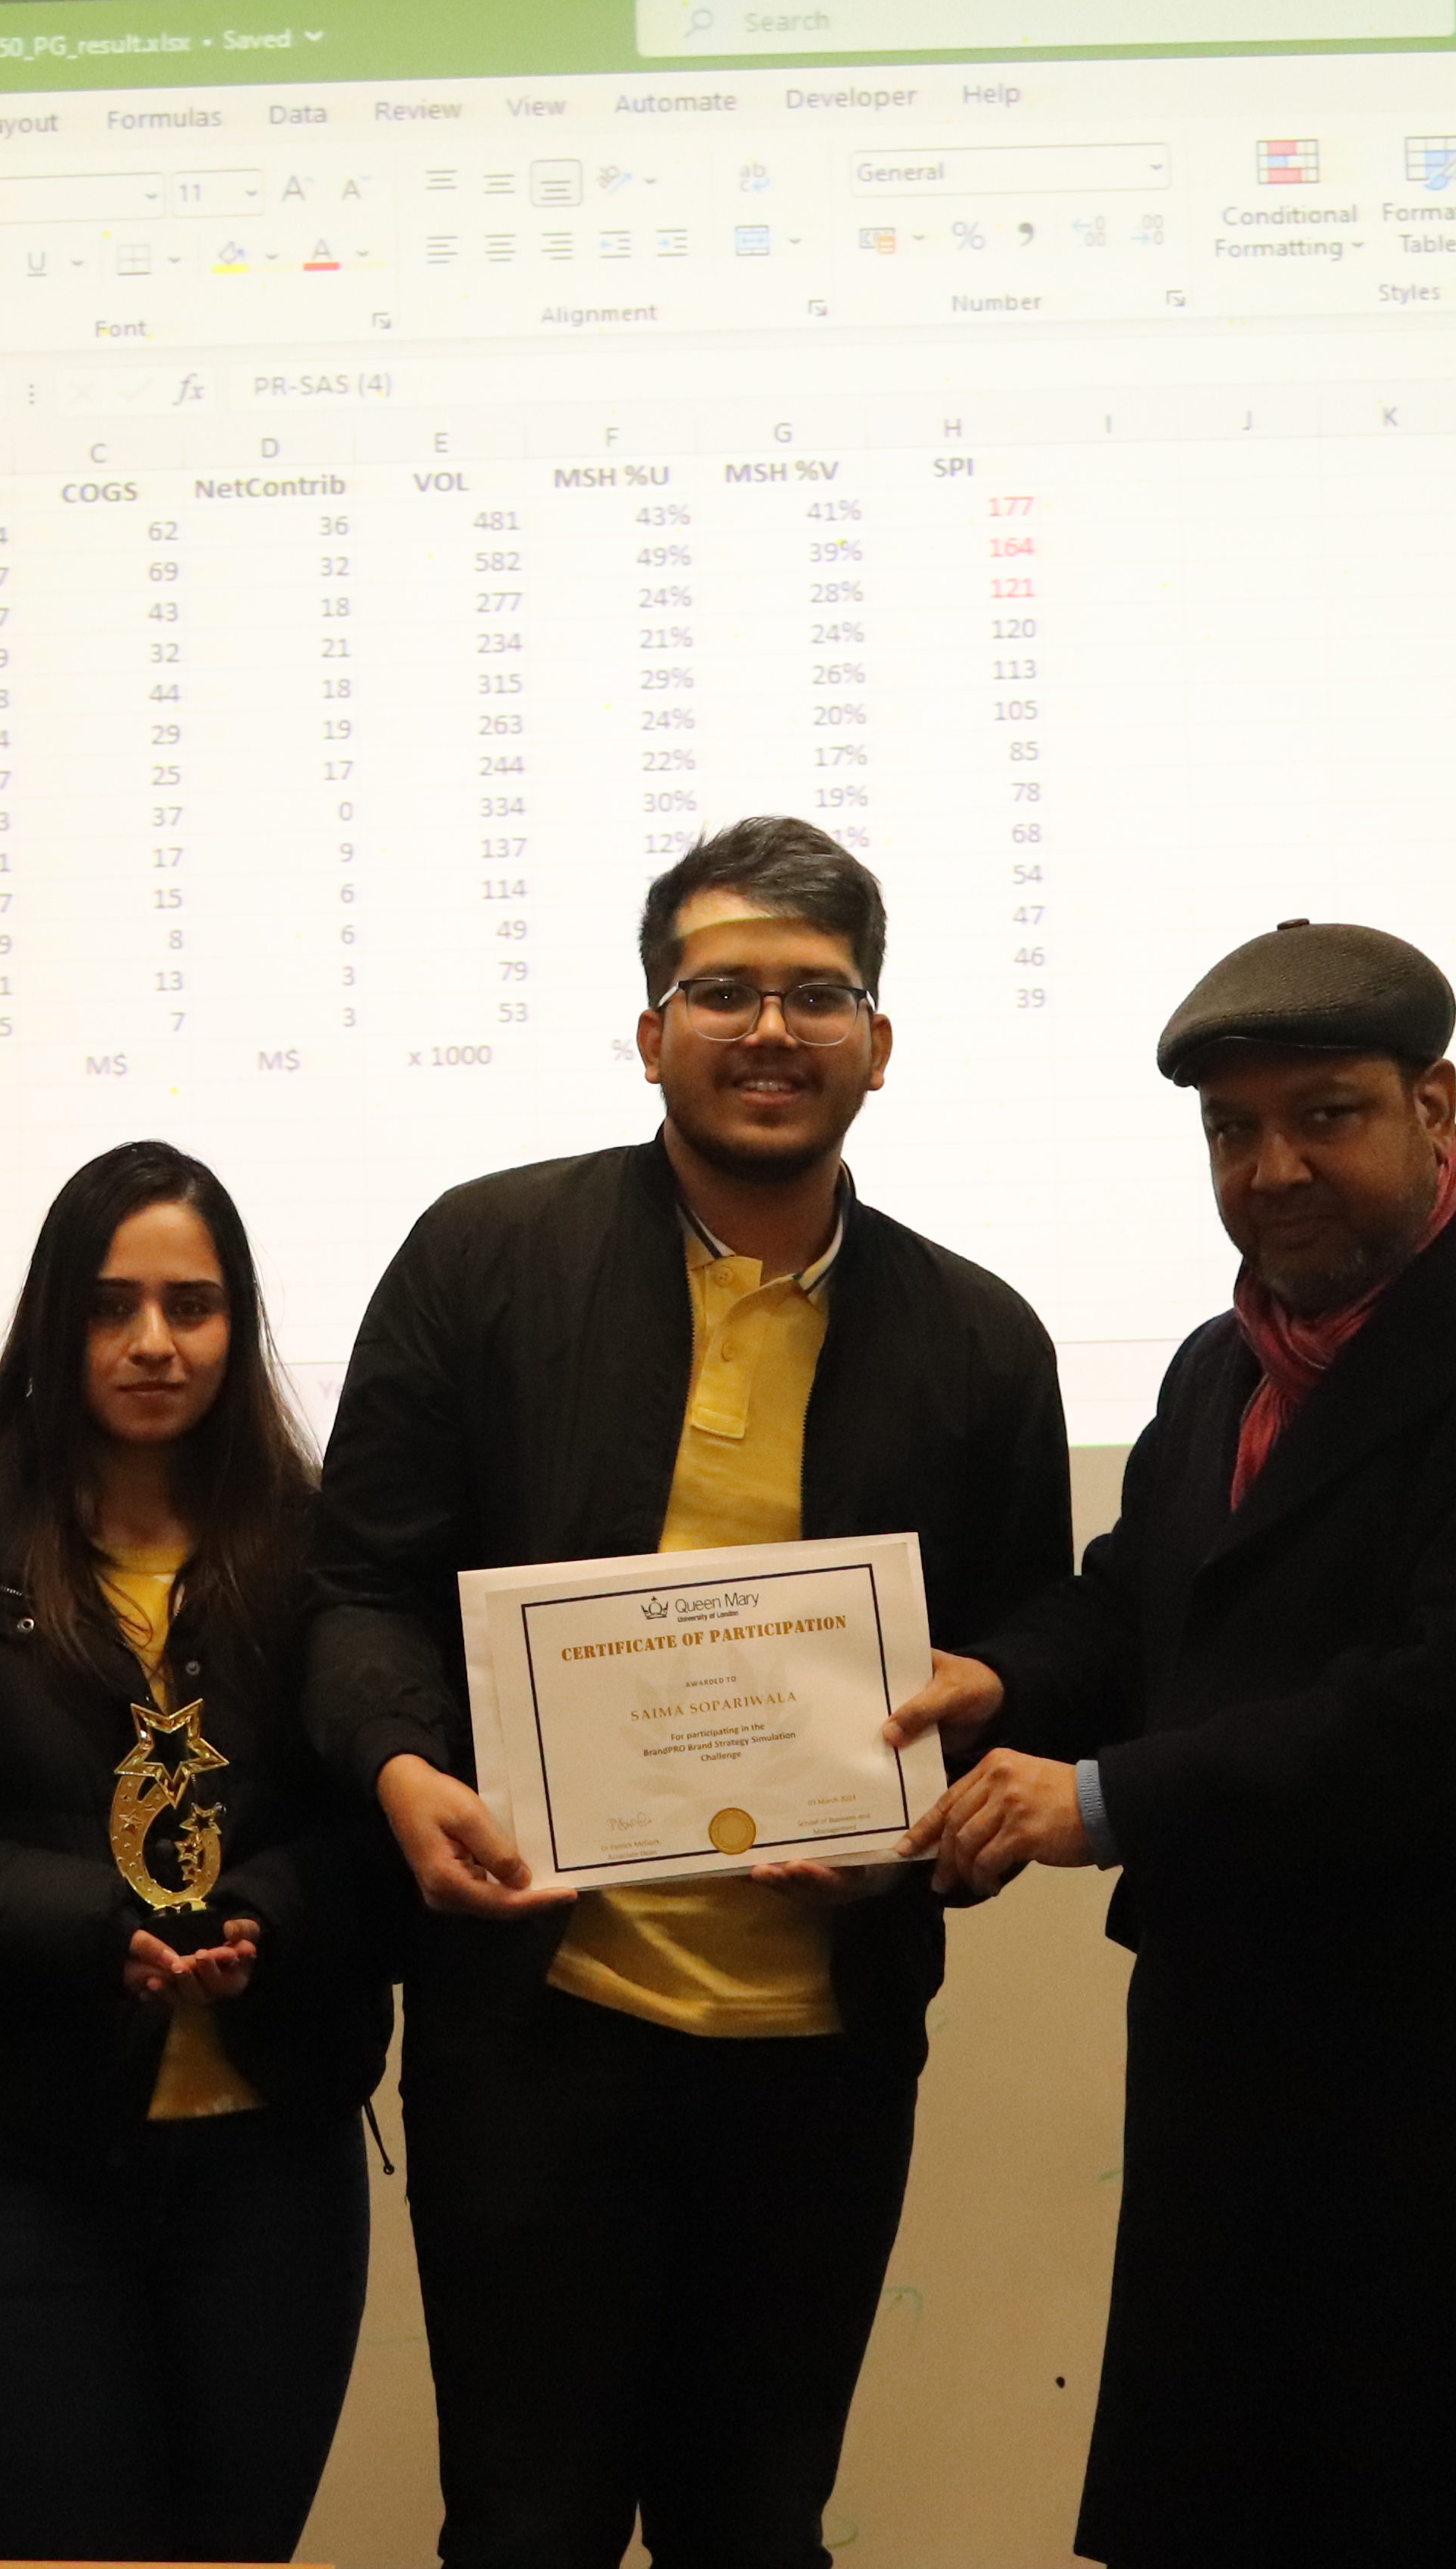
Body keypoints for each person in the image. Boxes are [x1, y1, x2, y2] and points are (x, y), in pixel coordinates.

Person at [303, 816, 1075, 2569]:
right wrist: (401, 1761)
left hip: (823, 2051)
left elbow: (1056, 1623)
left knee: (758, 2524)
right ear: (650, 1029)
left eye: (819, 992)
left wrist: (994, 1693)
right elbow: (362, 1584)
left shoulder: (981, 1335)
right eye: (720, 986)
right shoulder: (484, 1257)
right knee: (523, 2526)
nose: (770, 1028)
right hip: (539, 2027)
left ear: (881, 1041)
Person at [895, 918, 1456, 2567]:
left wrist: (1096, 1797)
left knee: (1417, 2505)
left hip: (1447, 2057)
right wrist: (992, 1684)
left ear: (1437, 1100)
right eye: (1233, 1129)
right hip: (1231, 2051)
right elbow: (1134, 1600)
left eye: (1324, 1114)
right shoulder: (1225, 1359)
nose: (1273, 1166)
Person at [0, 1142, 402, 2564]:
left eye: (192, 1305)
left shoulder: (332, 1571)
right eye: (112, 1305)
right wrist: (83, 1919)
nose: (152, 1344)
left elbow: (396, 1821)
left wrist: (270, 1914)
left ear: (238, 1329)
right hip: (2, 2175)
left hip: (272, 2179)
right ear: (55, 1323)